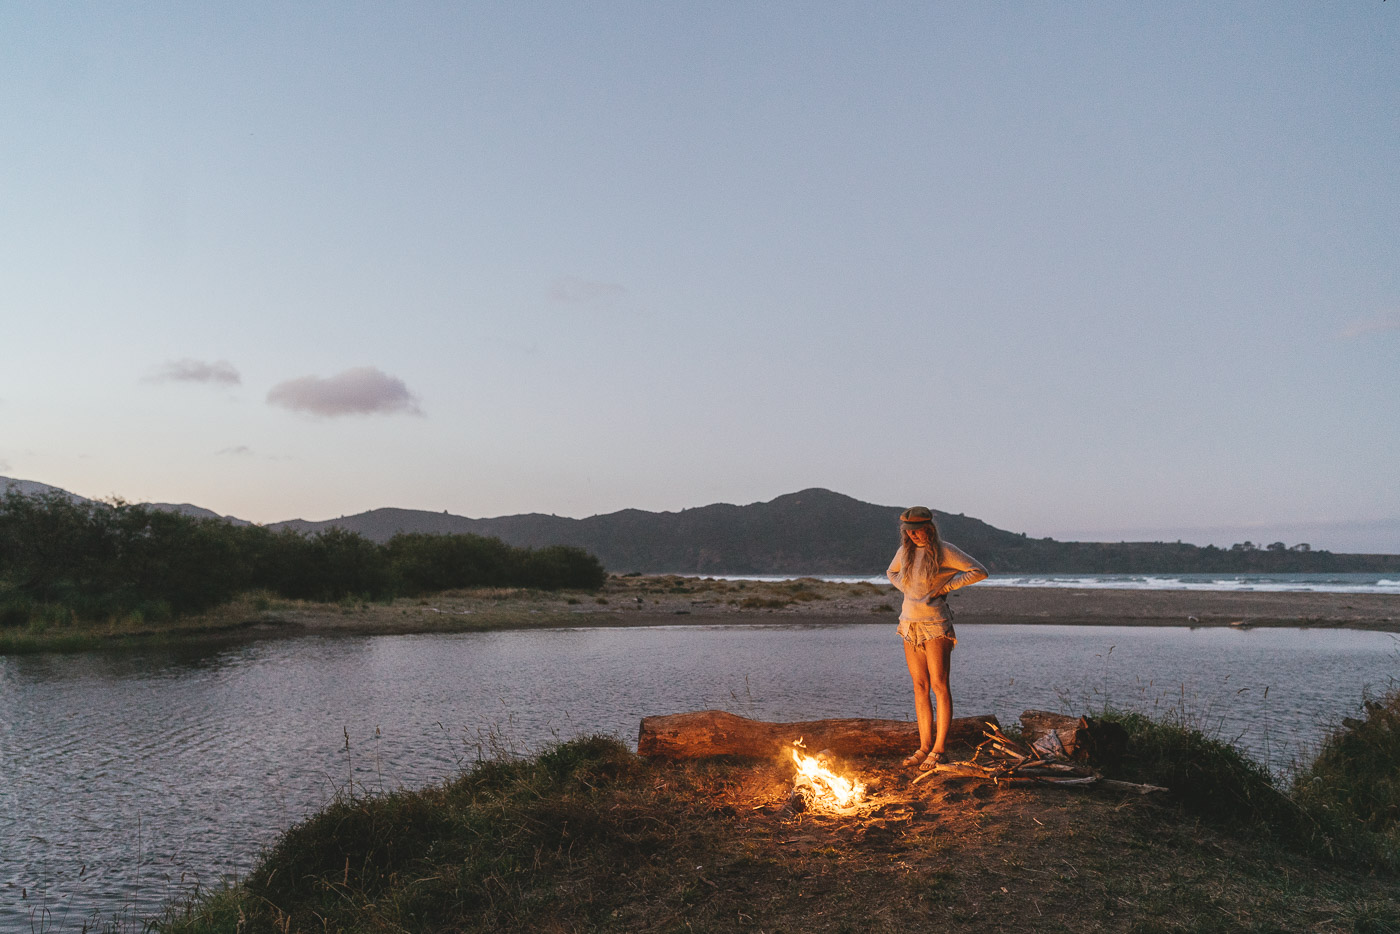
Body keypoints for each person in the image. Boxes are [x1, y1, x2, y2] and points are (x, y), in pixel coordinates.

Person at [886, 506, 987, 771]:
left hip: (935, 625)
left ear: (930, 527)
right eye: (911, 531)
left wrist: (946, 586)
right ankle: (923, 747)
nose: (916, 535)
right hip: (908, 625)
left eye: (920, 530)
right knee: (920, 687)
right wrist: (909, 589)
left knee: (939, 686)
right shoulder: (904, 552)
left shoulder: (945, 550)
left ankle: (939, 749)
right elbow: (891, 573)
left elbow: (978, 571)